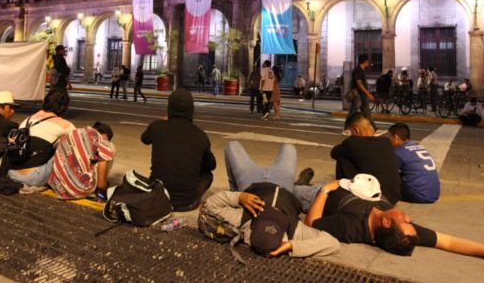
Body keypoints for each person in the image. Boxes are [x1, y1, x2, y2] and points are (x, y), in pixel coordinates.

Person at [303, 178, 484, 271]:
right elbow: (450, 242)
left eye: (404, 220)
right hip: (356, 183)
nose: (408, 218)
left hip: (317, 196)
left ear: (385, 222)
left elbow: (311, 222)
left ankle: (302, 184)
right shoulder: (403, 232)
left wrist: (326, 189)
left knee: (288, 160)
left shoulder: (351, 227)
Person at [202, 141, 339, 259]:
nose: (272, 212)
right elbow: (332, 243)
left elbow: (211, 205)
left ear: (252, 228)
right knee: (289, 147)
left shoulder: (243, 219)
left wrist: (239, 197)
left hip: (251, 182)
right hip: (283, 184)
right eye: (276, 220)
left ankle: (235, 188)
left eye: (264, 217)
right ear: (283, 237)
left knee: (232, 146)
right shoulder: (294, 230)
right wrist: (293, 246)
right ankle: (300, 185)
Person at [140, 88, 216, 211]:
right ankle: (190, 196)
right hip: (187, 203)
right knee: (208, 175)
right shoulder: (200, 135)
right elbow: (212, 165)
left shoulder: (157, 127)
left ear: (169, 107)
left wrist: (163, 122)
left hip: (159, 198)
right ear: (191, 109)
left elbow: (144, 138)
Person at [7, 89, 76, 188]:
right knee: (67, 148)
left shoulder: (28, 119)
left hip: (11, 172)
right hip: (34, 178)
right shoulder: (65, 125)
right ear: (64, 107)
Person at [331, 112, 401, 204]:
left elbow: (334, 153)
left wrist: (352, 138)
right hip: (392, 198)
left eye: (351, 131)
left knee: (342, 157)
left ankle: (340, 193)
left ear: (356, 130)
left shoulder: (353, 144)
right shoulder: (386, 142)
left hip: (372, 200)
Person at [47, 121, 115, 200]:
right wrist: (105, 192)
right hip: (78, 191)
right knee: (109, 152)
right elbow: (101, 185)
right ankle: (94, 190)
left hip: (55, 185)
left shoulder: (73, 132)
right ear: (106, 136)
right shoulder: (103, 141)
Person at [388, 123, 440, 203]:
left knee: (388, 181)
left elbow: (388, 173)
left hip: (418, 195)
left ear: (396, 138)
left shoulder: (398, 151)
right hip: (434, 194)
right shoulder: (420, 146)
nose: (389, 141)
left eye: (390, 138)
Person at [347, 54, 376, 131]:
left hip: (362, 95)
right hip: (358, 95)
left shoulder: (361, 70)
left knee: (367, 112)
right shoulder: (358, 70)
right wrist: (368, 93)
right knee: (353, 112)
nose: (368, 63)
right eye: (367, 61)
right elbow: (359, 84)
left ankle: (374, 128)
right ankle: (346, 128)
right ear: (365, 61)